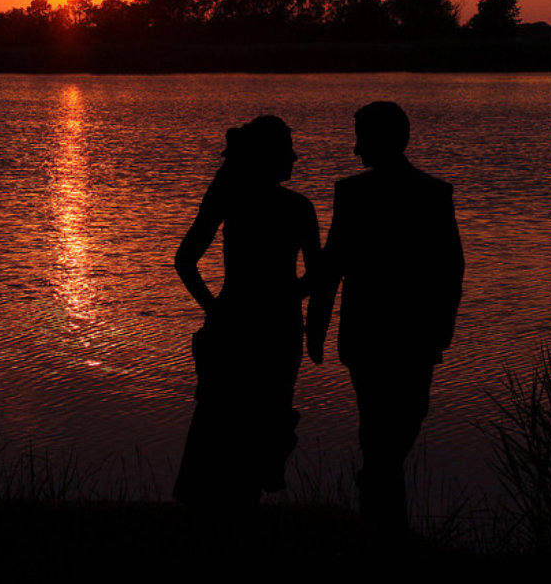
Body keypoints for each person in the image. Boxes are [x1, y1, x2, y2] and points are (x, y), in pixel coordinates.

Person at [307, 101, 464, 529]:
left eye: (361, 138)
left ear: (389, 140)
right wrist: (315, 327)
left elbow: (450, 268)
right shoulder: (352, 192)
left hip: (412, 332)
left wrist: (442, 329)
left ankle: (376, 489)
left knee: (408, 413)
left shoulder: (435, 193)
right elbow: (333, 263)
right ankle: (383, 513)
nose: (356, 150)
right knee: (378, 419)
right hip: (374, 333)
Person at [172, 115, 321, 508]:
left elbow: (185, 262)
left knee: (222, 422)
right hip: (275, 329)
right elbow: (318, 275)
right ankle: (239, 509)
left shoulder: (228, 197)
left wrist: (214, 308)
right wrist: (291, 296)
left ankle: (214, 511)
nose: (295, 156)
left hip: (234, 323)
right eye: (289, 148)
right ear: (271, 155)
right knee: (260, 421)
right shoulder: (298, 207)